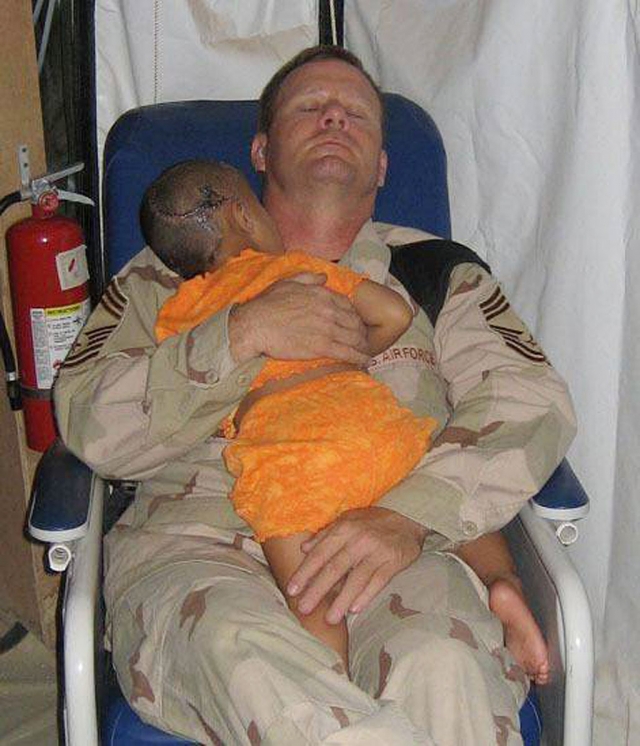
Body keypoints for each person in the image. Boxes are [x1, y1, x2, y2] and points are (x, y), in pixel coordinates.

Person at [54, 45, 576, 745]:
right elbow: (92, 423)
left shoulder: (435, 274)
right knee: (253, 664)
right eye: (309, 107)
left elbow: (531, 404)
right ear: (261, 152)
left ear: (384, 166)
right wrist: (239, 335)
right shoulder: (163, 280)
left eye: (357, 111)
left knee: (445, 669)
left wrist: (408, 515)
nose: (334, 115)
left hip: (395, 536)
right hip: (200, 548)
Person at [146, 158, 549, 684]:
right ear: (244, 215)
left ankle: (331, 682)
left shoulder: (181, 311)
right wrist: (348, 351)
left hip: (286, 457)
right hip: (368, 422)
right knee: (442, 487)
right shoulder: (297, 271)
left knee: (312, 595)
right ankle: (502, 581)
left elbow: (183, 388)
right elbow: (394, 316)